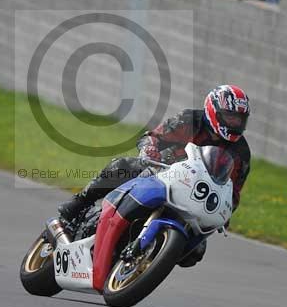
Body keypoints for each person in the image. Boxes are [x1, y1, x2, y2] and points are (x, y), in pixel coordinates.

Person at [57, 85, 252, 267]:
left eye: (239, 119)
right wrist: (150, 148)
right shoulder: (190, 120)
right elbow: (155, 136)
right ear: (213, 110)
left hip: (194, 198)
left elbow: (232, 191)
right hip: (163, 171)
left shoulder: (241, 153)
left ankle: (150, 260)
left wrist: (225, 212)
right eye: (230, 117)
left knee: (195, 252)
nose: (235, 123)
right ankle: (79, 203)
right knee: (123, 166)